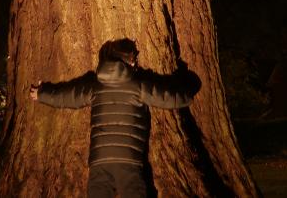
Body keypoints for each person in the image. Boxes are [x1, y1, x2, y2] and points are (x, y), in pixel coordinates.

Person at [30, 38, 200, 198]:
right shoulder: (139, 86)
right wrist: (189, 91)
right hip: (128, 159)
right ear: (126, 62)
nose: (136, 63)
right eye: (133, 59)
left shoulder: (96, 86)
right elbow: (167, 97)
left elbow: (68, 96)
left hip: (100, 160)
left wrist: (42, 94)